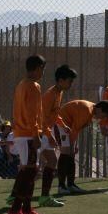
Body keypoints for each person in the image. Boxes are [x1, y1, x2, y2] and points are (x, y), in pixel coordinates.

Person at [7, 55, 47, 214]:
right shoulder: (32, 86)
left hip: (22, 132)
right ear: (37, 68)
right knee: (29, 171)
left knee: (29, 170)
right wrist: (35, 134)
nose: (42, 72)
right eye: (42, 69)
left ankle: (26, 208)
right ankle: (16, 209)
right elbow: (32, 113)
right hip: (28, 134)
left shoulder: (21, 85)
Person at [36, 64, 77, 206]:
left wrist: (63, 125)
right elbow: (41, 117)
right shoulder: (50, 95)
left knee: (50, 162)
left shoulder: (59, 93)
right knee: (31, 166)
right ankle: (20, 196)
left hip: (45, 130)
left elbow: (55, 114)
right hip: (40, 132)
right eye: (69, 81)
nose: (71, 84)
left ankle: (43, 197)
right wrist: (49, 134)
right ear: (60, 80)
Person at [56, 100, 108, 194]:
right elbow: (75, 128)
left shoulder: (90, 112)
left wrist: (73, 144)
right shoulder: (86, 110)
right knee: (66, 152)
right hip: (61, 125)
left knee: (71, 154)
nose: (101, 118)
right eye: (103, 115)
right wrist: (72, 144)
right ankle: (61, 186)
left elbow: (76, 128)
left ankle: (71, 184)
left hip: (68, 127)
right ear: (99, 109)